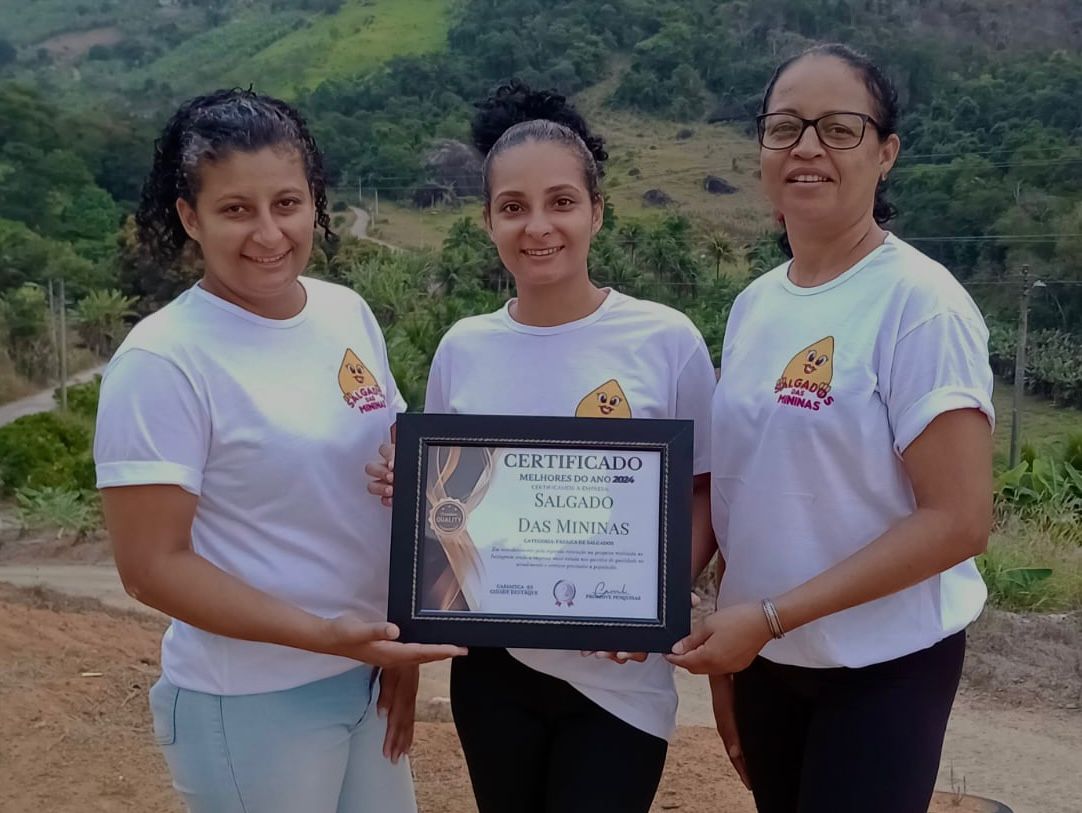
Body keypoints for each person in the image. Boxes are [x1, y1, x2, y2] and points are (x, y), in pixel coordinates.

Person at [93, 88, 463, 813]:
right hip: (251, 700)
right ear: (189, 218)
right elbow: (150, 567)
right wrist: (329, 635)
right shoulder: (165, 360)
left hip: (364, 676)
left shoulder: (342, 310)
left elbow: (394, 467)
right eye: (236, 209)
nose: (268, 232)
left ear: (314, 202)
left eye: (287, 203)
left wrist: (398, 641)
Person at [367, 81, 718, 813]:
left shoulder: (666, 340)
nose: (539, 227)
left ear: (597, 209)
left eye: (561, 201)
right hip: (495, 670)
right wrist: (410, 490)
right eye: (513, 207)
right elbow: (445, 502)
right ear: (488, 220)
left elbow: (705, 490)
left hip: (619, 677)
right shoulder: (465, 347)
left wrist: (654, 602)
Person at [666, 44, 995, 813]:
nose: (806, 147)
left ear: (886, 154)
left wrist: (772, 617)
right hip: (768, 662)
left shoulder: (921, 304)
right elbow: (746, 491)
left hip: (884, 668)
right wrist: (729, 653)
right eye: (784, 127)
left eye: (838, 128)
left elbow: (959, 520)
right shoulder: (756, 305)